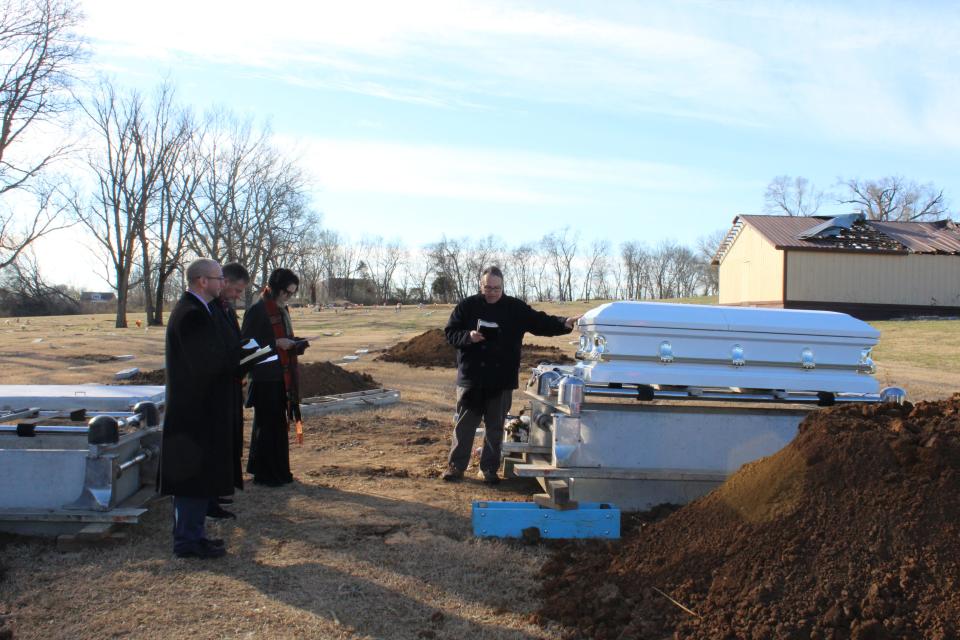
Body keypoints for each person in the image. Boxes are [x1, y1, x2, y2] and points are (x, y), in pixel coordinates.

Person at [442, 266, 581, 484]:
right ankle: (456, 467)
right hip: (472, 377)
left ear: (502, 287)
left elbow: (539, 322)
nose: (492, 292)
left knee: (495, 426)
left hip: (501, 379)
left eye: (496, 288)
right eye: (487, 287)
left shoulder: (515, 308)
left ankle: (488, 469)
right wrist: (468, 336)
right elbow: (450, 333)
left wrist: (564, 323)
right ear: (481, 286)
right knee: (465, 425)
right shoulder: (467, 306)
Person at [160, 258, 241, 559]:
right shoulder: (191, 314)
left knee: (199, 476)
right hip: (194, 411)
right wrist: (237, 361)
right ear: (202, 281)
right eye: (219, 278)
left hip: (202, 407)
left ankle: (193, 535)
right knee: (191, 478)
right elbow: (205, 363)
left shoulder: (202, 310)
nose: (223, 283)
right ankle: (187, 541)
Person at [241, 268, 309, 487]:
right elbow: (247, 347)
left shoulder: (280, 309)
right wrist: (276, 345)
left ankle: (277, 470)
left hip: (280, 375)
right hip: (264, 378)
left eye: (292, 293)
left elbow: (282, 338)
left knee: (277, 426)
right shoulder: (258, 310)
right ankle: (266, 473)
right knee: (267, 426)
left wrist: (296, 343)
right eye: (287, 293)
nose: (289, 297)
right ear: (276, 289)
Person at [205, 261, 251, 520]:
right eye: (235, 290)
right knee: (216, 444)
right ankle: (211, 496)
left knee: (229, 440)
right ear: (224, 283)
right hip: (216, 387)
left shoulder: (225, 309)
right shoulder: (207, 309)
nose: (237, 295)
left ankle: (220, 488)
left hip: (231, 383)